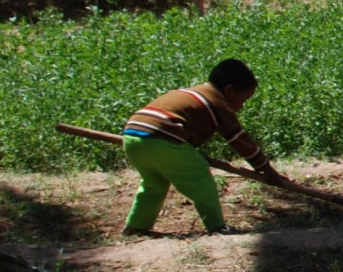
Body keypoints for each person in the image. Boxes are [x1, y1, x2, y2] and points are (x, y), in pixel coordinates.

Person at [121, 58, 285, 236]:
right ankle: (217, 226)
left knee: (154, 184)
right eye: (242, 100)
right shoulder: (217, 103)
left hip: (132, 135)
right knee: (200, 178)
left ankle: (137, 226)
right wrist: (267, 170)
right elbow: (240, 141)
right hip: (163, 139)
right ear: (229, 90)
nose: (241, 107)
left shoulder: (193, 93)